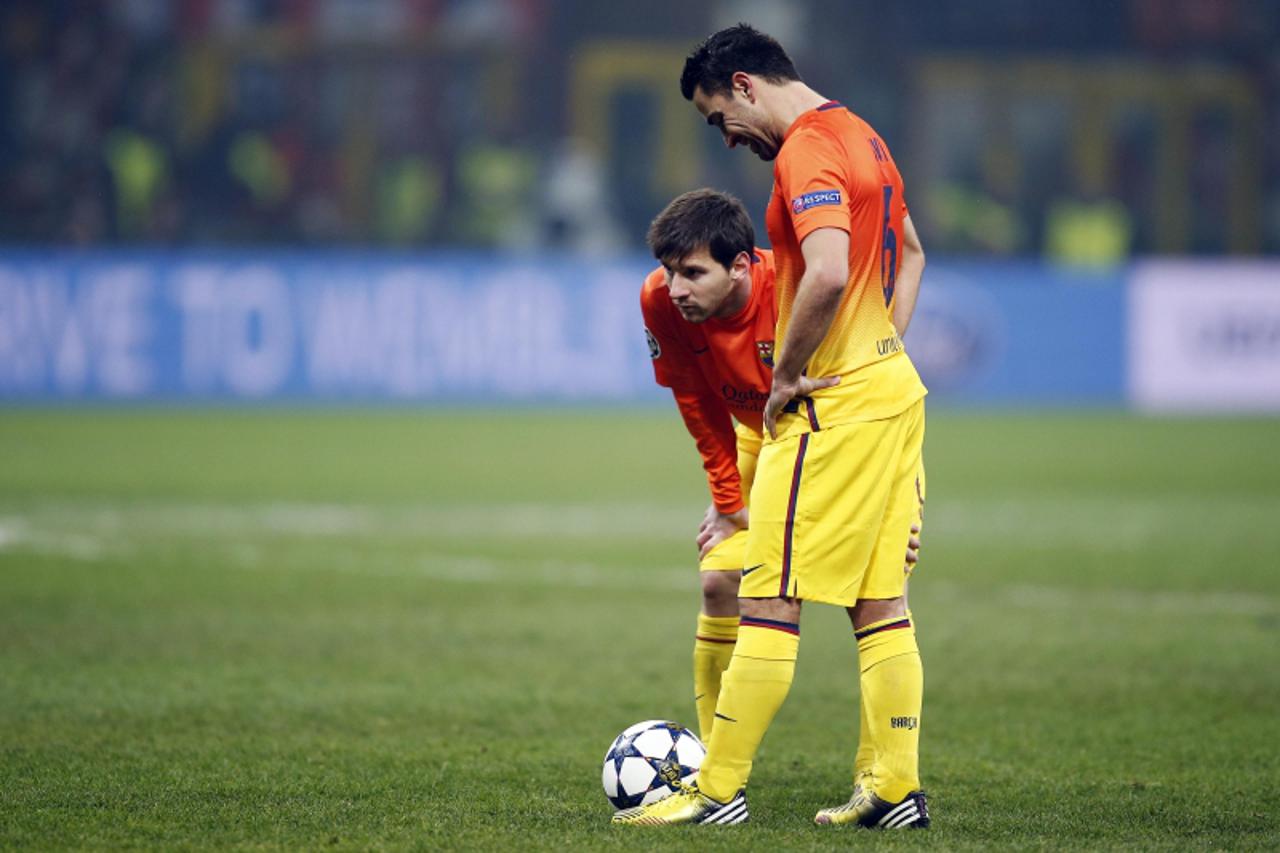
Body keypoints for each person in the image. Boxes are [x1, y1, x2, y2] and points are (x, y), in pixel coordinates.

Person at [614, 24, 930, 829]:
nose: (727, 136)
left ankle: (716, 791)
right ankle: (895, 789)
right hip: (892, 391)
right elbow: (914, 252)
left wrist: (790, 374)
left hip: (832, 407)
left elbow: (825, 270)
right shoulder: (868, 138)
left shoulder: (806, 150)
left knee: (771, 595)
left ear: (746, 85)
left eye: (720, 116)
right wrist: (877, 346)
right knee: (880, 602)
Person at [641, 188, 922, 750]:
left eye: (692, 273)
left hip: (842, 436)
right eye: (669, 272)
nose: (676, 289)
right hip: (759, 436)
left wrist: (884, 507)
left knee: (871, 599)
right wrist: (728, 503)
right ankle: (710, 756)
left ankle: (881, 775)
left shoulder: (798, 292)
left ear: (741, 265)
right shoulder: (659, 301)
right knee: (720, 578)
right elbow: (696, 402)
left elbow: (873, 381)